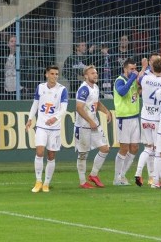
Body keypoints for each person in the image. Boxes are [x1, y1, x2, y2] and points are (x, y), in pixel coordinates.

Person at [26, 65, 68, 193]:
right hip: (41, 125)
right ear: (46, 75)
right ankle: (38, 181)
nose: (55, 76)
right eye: (52, 74)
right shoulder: (40, 87)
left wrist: (55, 118)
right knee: (39, 151)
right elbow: (35, 104)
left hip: (54, 127)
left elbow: (63, 109)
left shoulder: (62, 90)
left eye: (56, 74)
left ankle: (46, 183)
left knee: (51, 155)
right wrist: (30, 118)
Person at [74, 65, 113, 189]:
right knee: (83, 154)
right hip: (83, 126)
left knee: (105, 149)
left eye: (96, 73)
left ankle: (94, 175)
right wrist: (90, 121)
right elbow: (79, 107)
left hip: (94, 124)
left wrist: (106, 111)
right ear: (86, 76)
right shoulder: (83, 89)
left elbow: (97, 103)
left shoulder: (95, 87)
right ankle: (82, 181)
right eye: (92, 73)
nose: (95, 75)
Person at [112, 58, 144, 186]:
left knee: (135, 148)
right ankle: (116, 177)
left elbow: (139, 91)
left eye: (135, 68)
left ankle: (122, 175)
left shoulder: (134, 80)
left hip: (135, 117)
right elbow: (122, 92)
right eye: (131, 69)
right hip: (123, 119)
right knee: (124, 148)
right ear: (125, 69)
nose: (134, 71)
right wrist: (132, 79)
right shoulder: (120, 80)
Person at [134, 56, 161, 187]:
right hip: (157, 119)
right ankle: (155, 181)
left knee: (147, 147)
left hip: (145, 116)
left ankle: (138, 172)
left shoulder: (145, 78)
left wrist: (143, 67)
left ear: (152, 67)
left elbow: (138, 80)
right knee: (157, 150)